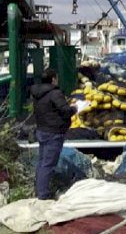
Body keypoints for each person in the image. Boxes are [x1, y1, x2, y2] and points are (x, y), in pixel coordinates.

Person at [31, 68, 77, 200]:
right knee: (48, 164)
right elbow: (65, 111)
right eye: (56, 78)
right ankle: (43, 194)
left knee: (42, 162)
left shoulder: (37, 93)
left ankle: (40, 189)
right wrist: (74, 108)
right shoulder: (54, 93)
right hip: (53, 132)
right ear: (53, 79)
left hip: (42, 130)